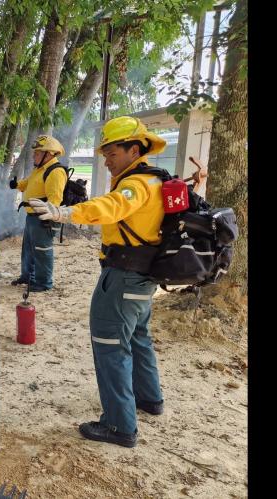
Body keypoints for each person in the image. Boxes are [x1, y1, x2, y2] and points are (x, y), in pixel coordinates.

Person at [27, 116, 169, 448]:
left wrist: (67, 213)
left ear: (134, 149)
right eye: (104, 154)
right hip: (143, 278)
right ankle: (150, 399)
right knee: (138, 338)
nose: (106, 161)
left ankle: (121, 426)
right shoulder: (156, 180)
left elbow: (112, 206)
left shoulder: (136, 185)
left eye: (112, 153)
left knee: (110, 347)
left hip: (122, 278)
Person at [9, 135, 67, 292]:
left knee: (42, 251)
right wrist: (17, 185)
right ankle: (28, 277)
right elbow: (28, 183)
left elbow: (55, 199)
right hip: (32, 217)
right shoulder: (40, 169)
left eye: (37, 153)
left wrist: (47, 218)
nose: (34, 155)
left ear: (48, 154)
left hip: (43, 219)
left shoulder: (55, 172)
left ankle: (43, 283)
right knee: (28, 249)